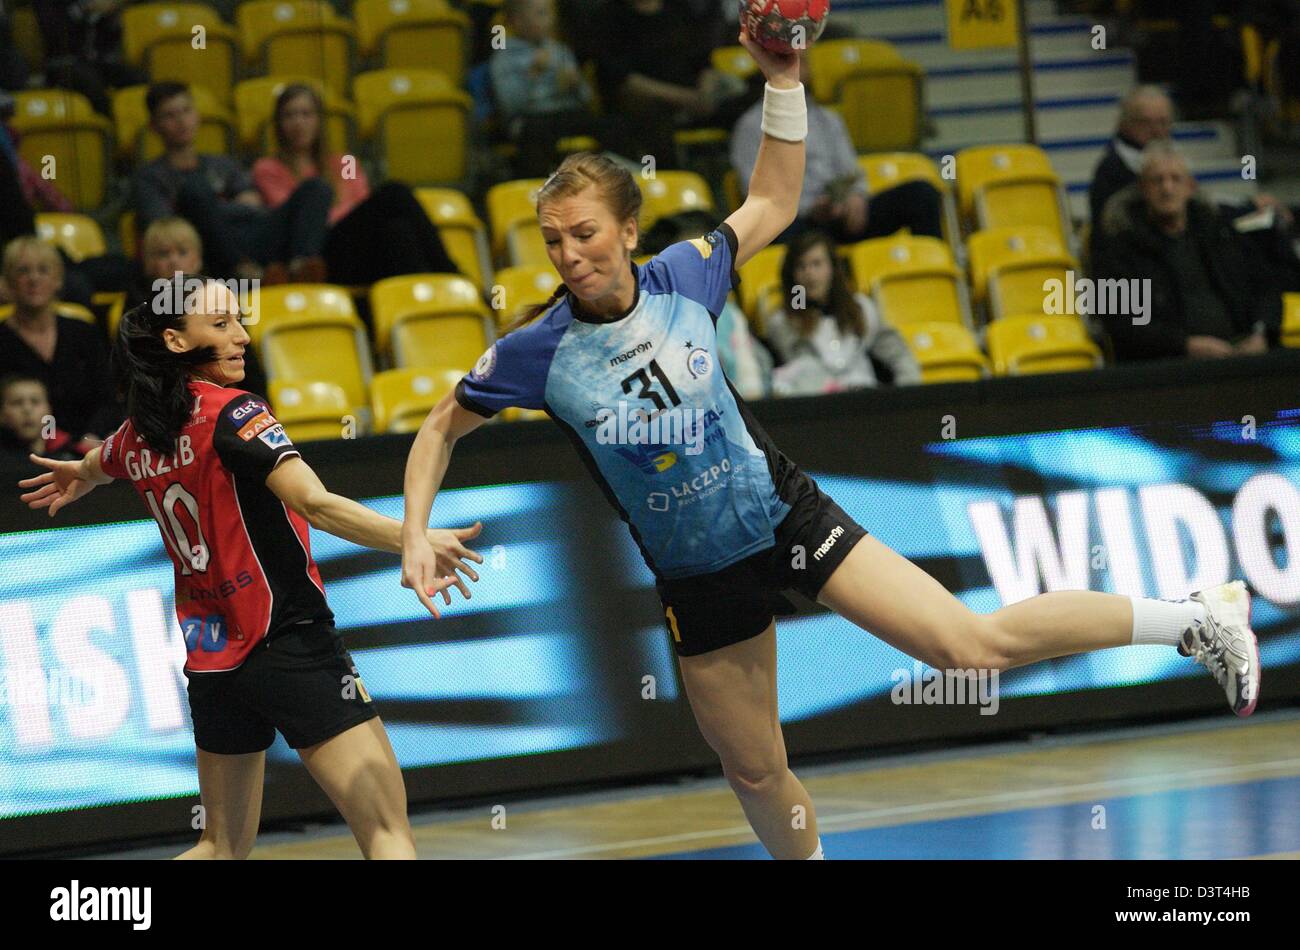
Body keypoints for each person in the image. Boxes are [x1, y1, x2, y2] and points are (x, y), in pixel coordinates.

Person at [399, 36, 1262, 861]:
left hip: (783, 516)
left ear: (629, 230)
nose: (568, 254)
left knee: (969, 647)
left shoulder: (686, 274)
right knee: (754, 767)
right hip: (696, 575)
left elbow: (773, 199)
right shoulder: (536, 353)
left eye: (584, 233)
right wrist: (412, 532)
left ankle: (1195, 618)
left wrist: (784, 79)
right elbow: (438, 427)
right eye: (553, 240)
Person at [16, 276, 484, 859]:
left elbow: (102, 460)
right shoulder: (234, 414)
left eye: (239, 320)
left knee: (220, 847)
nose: (241, 336)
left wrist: (77, 473)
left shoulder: (138, 436)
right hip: (288, 639)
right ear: (176, 340)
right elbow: (313, 502)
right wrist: (412, 538)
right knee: (387, 831)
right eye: (220, 325)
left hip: (212, 659)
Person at [252, 83, 460, 285]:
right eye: (289, 115)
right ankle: (452, 274)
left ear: (319, 120)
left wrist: (341, 212)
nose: (298, 123)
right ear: (278, 123)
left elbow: (362, 202)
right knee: (395, 193)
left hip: (356, 245)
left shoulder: (346, 162)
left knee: (398, 232)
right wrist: (340, 210)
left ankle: (431, 303)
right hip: (318, 255)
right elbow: (295, 217)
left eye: (306, 114)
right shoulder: (267, 168)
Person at [730, 51, 942, 245]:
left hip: (841, 215)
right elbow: (758, 197)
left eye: (802, 63)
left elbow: (852, 173)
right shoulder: (750, 127)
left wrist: (856, 197)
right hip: (797, 222)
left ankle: (931, 269)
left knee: (921, 194)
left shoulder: (828, 119)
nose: (796, 70)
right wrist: (810, 208)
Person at [1093, 143, 1279, 362]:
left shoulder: (1221, 232)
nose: (1167, 188)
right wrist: (1185, 345)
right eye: (1157, 180)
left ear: (1191, 187)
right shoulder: (1119, 247)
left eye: (1175, 179)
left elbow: (1266, 287)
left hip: (1244, 353)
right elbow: (1121, 323)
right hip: (1170, 368)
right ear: (1143, 189)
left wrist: (1261, 333)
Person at [132, 82, 332, 283]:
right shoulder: (149, 177)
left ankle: (301, 268)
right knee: (195, 190)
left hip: (254, 235)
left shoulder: (223, 163)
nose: (181, 121)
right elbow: (168, 231)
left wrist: (215, 210)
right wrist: (215, 209)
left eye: (186, 110)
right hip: (210, 253)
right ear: (154, 126)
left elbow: (254, 205)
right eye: (169, 115)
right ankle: (245, 271)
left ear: (197, 115)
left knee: (317, 187)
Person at [489, 0, 649, 177]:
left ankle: (624, 179)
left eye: (549, 13)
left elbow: (586, 98)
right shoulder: (504, 57)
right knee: (535, 132)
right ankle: (536, 187)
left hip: (565, 114)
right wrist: (532, 76)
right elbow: (510, 106)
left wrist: (576, 84)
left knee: (613, 124)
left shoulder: (560, 50)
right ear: (517, 21)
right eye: (540, 14)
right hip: (530, 118)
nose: (549, 20)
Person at [0, 236, 121, 448]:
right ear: (8, 282)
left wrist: (91, 437)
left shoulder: (83, 332)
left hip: (85, 448)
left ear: (58, 280)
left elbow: (108, 400)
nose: (33, 278)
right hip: (14, 453)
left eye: (43, 270)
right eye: (23, 271)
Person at [765, 230, 920, 394]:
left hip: (869, 401)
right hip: (818, 405)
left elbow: (899, 355)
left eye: (817, 264)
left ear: (833, 268)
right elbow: (801, 367)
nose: (809, 273)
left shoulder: (862, 308)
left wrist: (907, 398)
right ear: (791, 275)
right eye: (801, 266)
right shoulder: (782, 322)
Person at [128, 217, 268, 397]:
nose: (174, 261)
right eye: (163, 254)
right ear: (149, 262)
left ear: (198, 258)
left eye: (182, 252)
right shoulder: (137, 308)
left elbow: (252, 375)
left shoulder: (220, 299)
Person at [0, 373, 79, 471]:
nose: (27, 409)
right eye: (17, 402)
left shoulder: (75, 457)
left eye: (35, 401)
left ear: (49, 410)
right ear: (2, 414)